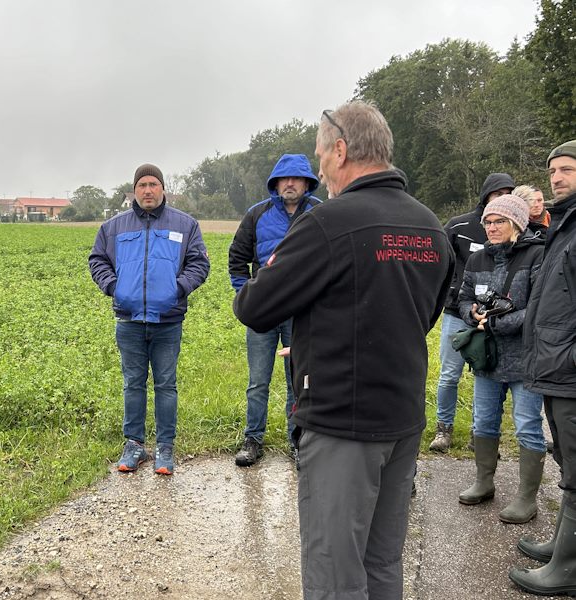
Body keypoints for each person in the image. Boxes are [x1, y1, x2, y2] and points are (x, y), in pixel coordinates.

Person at [234, 101, 453, 599]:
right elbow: (419, 314)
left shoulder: (328, 223)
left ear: (341, 149)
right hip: (402, 418)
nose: (317, 170)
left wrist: (272, 268)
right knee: (381, 562)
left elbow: (254, 306)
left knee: (335, 573)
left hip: (341, 426)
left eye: (319, 157)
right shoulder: (429, 226)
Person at [88, 164, 209, 475]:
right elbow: (97, 259)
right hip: (128, 320)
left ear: (163, 189)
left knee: (166, 384)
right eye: (142, 185)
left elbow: (199, 263)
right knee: (133, 384)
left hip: (168, 321)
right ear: (134, 190)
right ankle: (134, 445)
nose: (148, 190)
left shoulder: (185, 225)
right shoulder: (114, 227)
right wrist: (114, 287)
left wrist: (178, 288)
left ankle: (165, 447)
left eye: (153, 184)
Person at [510, 139, 576, 595]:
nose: (556, 177)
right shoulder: (565, 227)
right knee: (569, 464)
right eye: (553, 170)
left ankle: (567, 572)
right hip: (557, 367)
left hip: (570, 369)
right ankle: (562, 547)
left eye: (567, 169)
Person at [455, 195, 545, 523]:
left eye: (499, 222)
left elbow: (537, 307)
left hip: (525, 358)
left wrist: (494, 322)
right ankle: (483, 481)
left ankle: (526, 497)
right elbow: (463, 297)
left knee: (527, 426)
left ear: (517, 225)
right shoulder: (478, 259)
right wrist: (471, 314)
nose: (491, 228)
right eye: (488, 223)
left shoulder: (536, 255)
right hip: (488, 358)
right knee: (483, 421)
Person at [229, 154, 320, 466]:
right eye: (284, 179)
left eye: (296, 178)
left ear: (307, 182)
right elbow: (237, 257)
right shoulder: (257, 215)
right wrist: (247, 296)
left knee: (299, 381)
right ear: (276, 183)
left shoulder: (321, 213)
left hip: (302, 315)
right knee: (257, 381)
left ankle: (298, 440)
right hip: (263, 314)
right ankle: (252, 439)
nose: (290, 184)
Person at [428, 173, 515, 452]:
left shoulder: (512, 231)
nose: (501, 199)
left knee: (485, 374)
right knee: (449, 375)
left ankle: (481, 434)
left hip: (493, 318)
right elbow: (438, 261)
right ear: (486, 194)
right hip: (457, 311)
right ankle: (444, 429)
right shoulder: (460, 225)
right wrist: (449, 293)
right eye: (497, 193)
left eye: (507, 194)